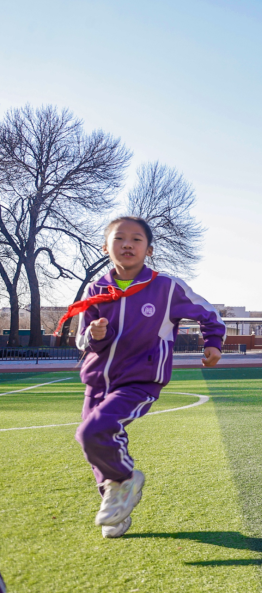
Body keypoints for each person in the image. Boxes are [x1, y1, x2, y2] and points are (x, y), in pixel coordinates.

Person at [61, 216, 225, 539]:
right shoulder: (95, 290)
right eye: (119, 238)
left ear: (149, 250)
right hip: (97, 381)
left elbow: (209, 313)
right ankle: (117, 507)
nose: (127, 245)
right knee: (92, 440)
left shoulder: (166, 288)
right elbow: (81, 340)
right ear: (105, 247)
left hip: (140, 380)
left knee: (94, 430)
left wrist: (214, 342)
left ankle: (126, 480)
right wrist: (95, 334)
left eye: (136, 239)